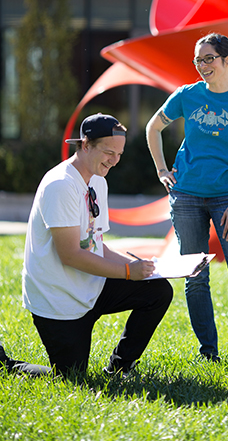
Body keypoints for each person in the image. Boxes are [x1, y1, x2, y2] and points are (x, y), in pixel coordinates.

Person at [146, 33, 228, 373]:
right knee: (195, 277)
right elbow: (152, 128)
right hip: (186, 196)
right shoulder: (186, 95)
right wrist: (161, 170)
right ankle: (208, 352)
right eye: (198, 60)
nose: (202, 66)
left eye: (209, 58)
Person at [22, 113, 173, 378]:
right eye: (108, 152)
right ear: (85, 144)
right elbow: (70, 255)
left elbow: (96, 246)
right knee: (72, 377)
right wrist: (128, 273)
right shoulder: (60, 184)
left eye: (119, 154)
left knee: (158, 290)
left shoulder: (97, 182)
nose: (114, 161)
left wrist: (144, 268)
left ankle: (120, 367)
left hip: (91, 286)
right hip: (59, 299)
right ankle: (9, 364)